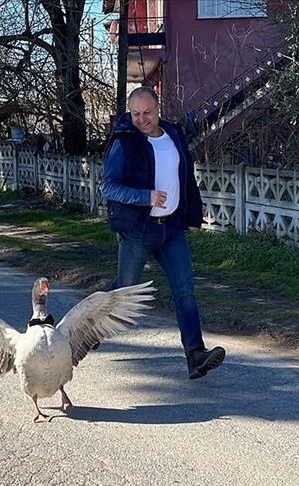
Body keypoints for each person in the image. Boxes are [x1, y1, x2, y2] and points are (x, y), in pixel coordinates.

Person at [101, 86, 225, 380]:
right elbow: (108, 186)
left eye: (147, 113)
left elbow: (183, 175)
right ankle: (84, 328)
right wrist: (145, 197)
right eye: (135, 114)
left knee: (185, 291)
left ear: (159, 109)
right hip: (138, 231)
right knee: (124, 290)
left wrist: (193, 205)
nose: (142, 119)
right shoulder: (125, 142)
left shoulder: (173, 135)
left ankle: (196, 355)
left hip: (171, 229)